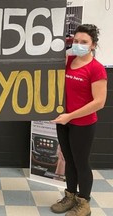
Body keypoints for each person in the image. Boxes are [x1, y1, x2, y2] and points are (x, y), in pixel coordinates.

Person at [51, 24, 107, 216]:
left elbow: (99, 102)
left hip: (83, 124)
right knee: (68, 161)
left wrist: (70, 116)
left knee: (81, 163)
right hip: (64, 122)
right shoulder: (69, 61)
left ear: (93, 45)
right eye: (76, 41)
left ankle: (84, 203)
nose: (79, 45)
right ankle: (70, 196)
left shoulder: (96, 69)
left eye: (84, 42)